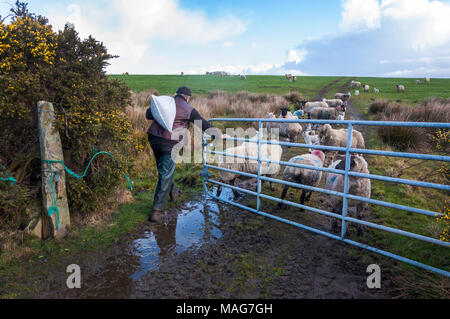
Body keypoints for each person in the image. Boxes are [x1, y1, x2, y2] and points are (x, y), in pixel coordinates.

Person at [146, 86, 217, 223]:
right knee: (165, 173)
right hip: (169, 143)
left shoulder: (166, 104)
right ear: (187, 97)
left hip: (153, 139)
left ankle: (173, 193)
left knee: (165, 170)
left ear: (177, 94)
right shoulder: (189, 109)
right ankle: (157, 211)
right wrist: (216, 134)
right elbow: (202, 124)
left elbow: (148, 115)